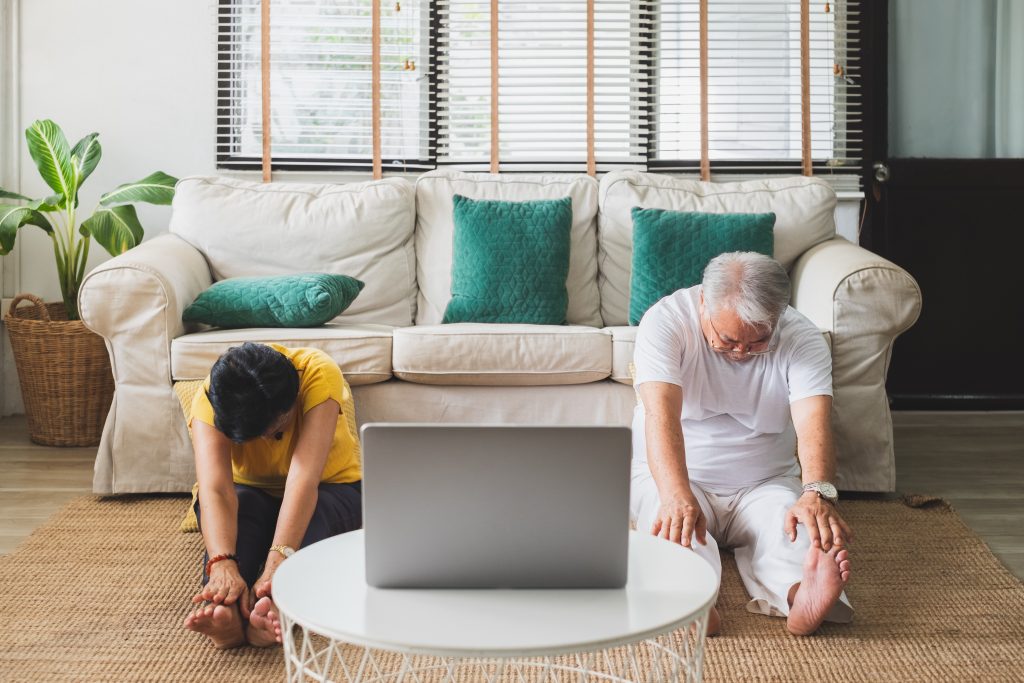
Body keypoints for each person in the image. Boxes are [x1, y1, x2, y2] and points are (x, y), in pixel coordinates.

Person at [630, 251, 853, 636]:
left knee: (794, 526)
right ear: (703, 303)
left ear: (778, 317)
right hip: (681, 479)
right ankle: (692, 600)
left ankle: (801, 595)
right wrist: (676, 495)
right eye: (728, 339)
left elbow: (814, 423)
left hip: (765, 481)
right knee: (672, 527)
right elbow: (660, 416)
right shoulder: (665, 321)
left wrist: (816, 493)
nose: (741, 352)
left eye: (758, 341)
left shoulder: (803, 338)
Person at [182, 342, 363, 649]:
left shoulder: (318, 371)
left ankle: (274, 609)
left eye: (276, 428)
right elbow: (215, 488)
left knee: (314, 521)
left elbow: (303, 480)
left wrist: (277, 563)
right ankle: (227, 610)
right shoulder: (214, 395)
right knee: (240, 517)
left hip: (327, 489)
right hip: (248, 493)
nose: (268, 440)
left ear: (293, 399)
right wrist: (222, 564)